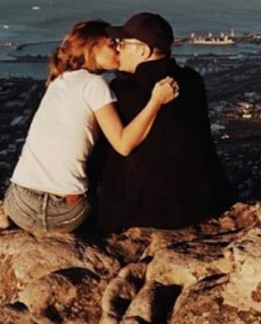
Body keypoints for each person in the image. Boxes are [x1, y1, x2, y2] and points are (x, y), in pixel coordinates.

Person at [4, 20, 179, 233]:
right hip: (61, 213)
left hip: (18, 204)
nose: (117, 48)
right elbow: (123, 144)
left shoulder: (59, 80)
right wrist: (156, 101)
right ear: (92, 48)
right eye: (111, 44)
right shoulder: (95, 84)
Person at [92, 12, 234, 233]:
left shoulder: (124, 91)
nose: (117, 48)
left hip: (144, 213)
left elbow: (114, 153)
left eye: (122, 43)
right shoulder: (192, 81)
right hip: (201, 204)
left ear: (143, 50)